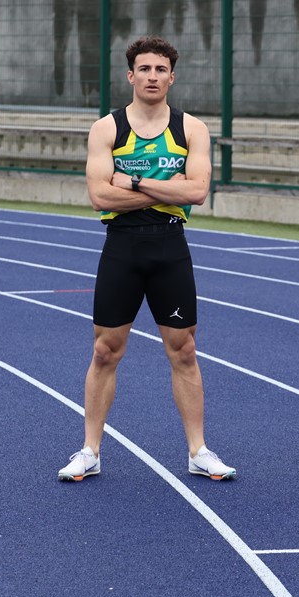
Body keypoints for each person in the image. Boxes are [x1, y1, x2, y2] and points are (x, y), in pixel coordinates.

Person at [58, 36, 236, 482]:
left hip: (169, 247)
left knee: (185, 350)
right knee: (105, 351)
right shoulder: (107, 129)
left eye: (160, 69)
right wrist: (167, 188)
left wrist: (134, 182)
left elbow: (198, 191)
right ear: (130, 76)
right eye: (144, 69)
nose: (152, 76)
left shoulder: (191, 129)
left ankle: (198, 451)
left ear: (172, 77)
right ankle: (90, 450)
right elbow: (100, 196)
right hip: (122, 246)